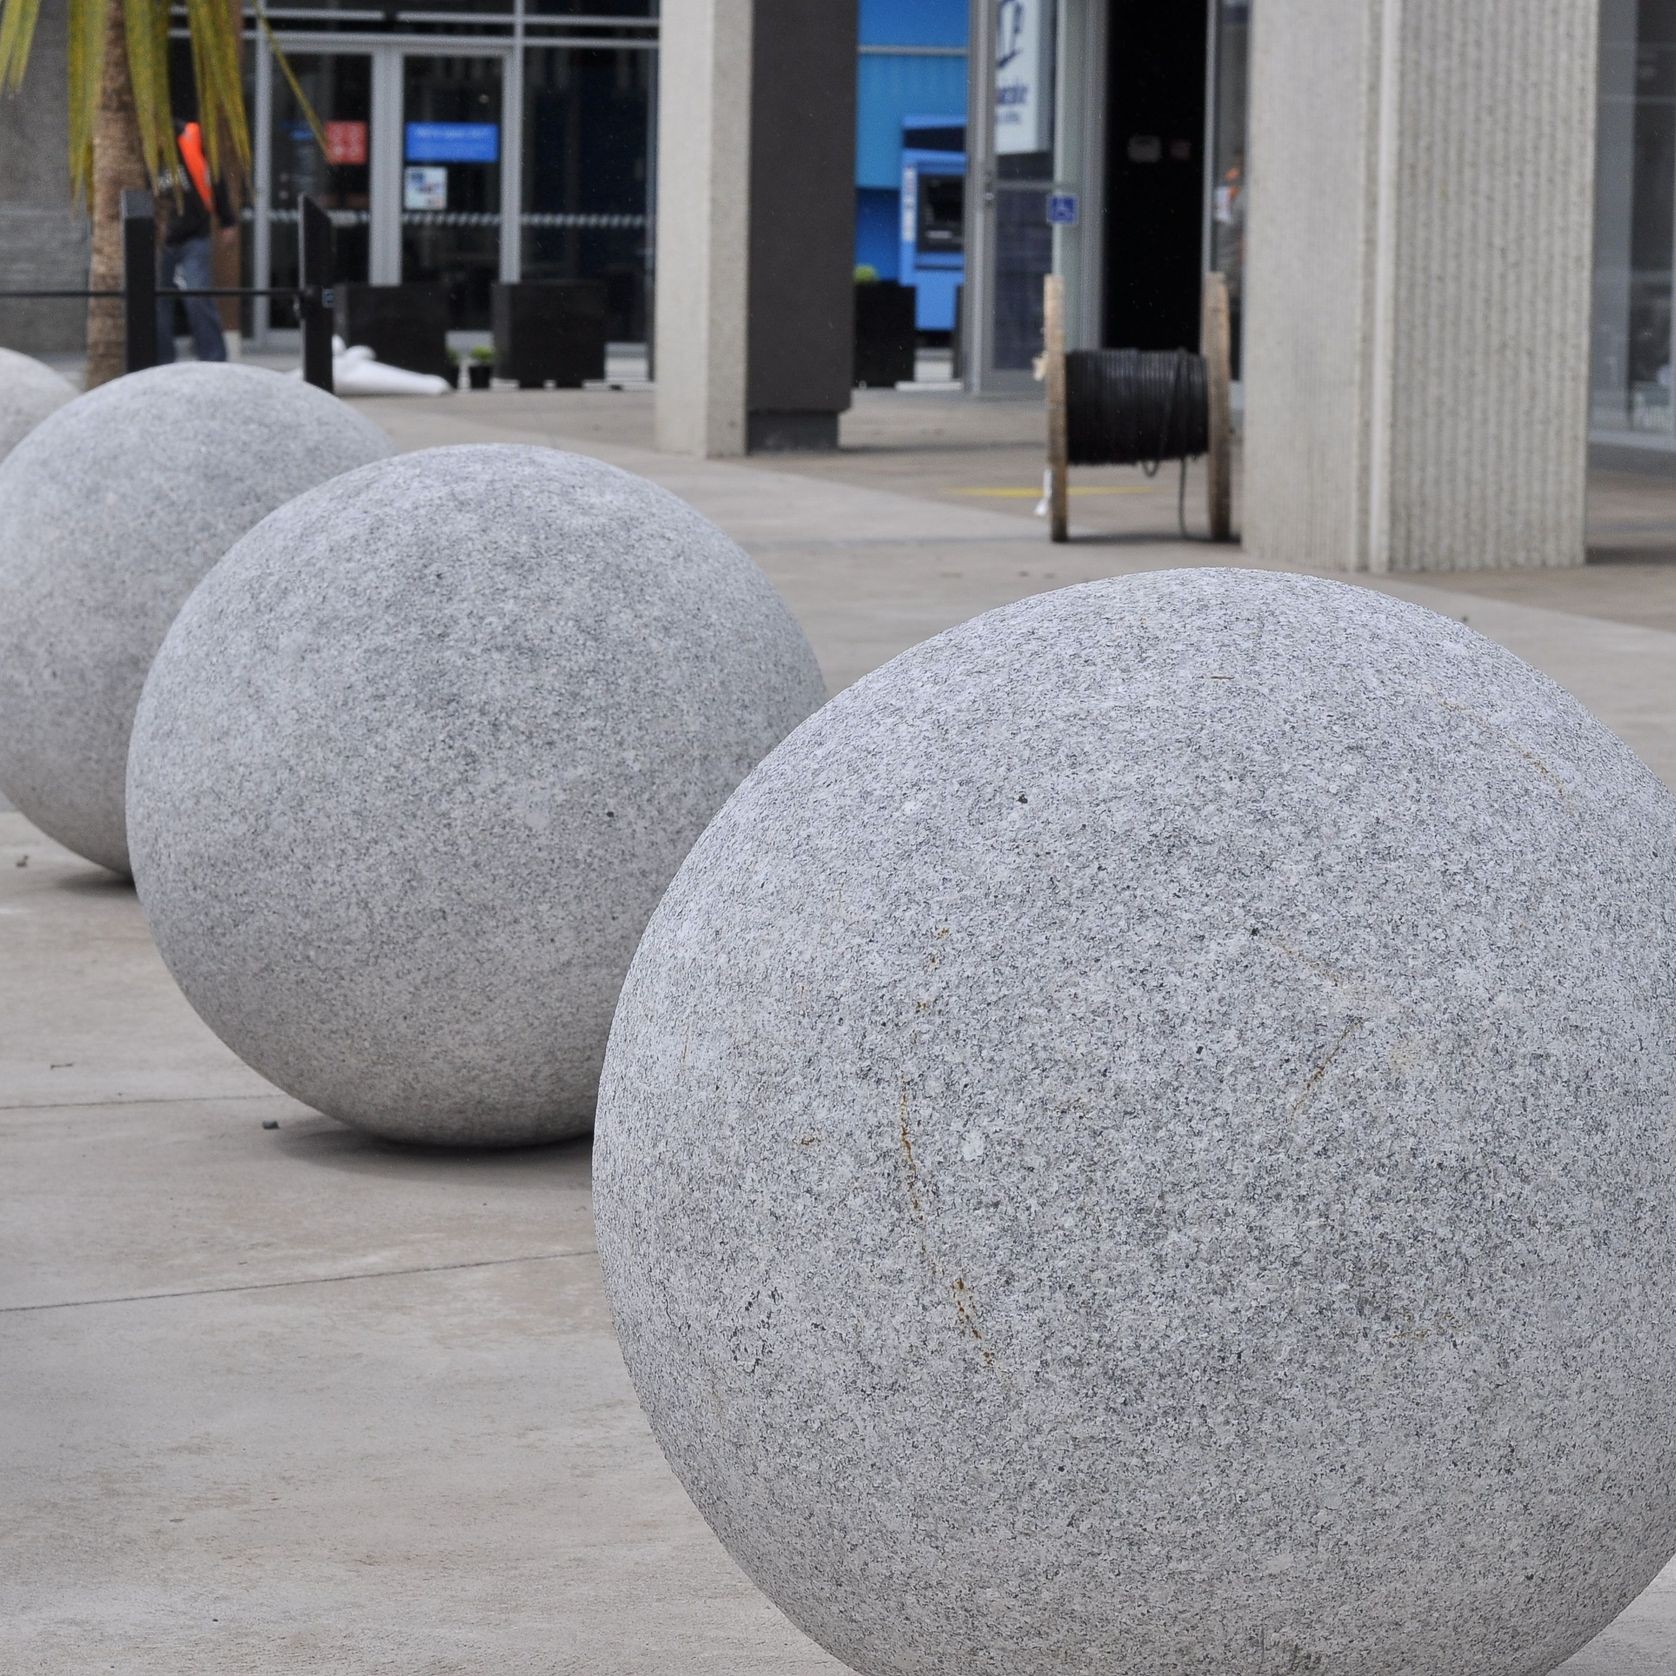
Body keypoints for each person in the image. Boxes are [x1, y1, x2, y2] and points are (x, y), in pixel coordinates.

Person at [156, 120, 238, 363]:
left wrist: (227, 220)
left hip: (194, 234)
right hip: (160, 239)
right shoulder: (139, 148)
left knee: (198, 297)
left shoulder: (189, 139)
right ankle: (161, 363)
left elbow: (214, 177)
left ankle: (214, 360)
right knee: (159, 302)